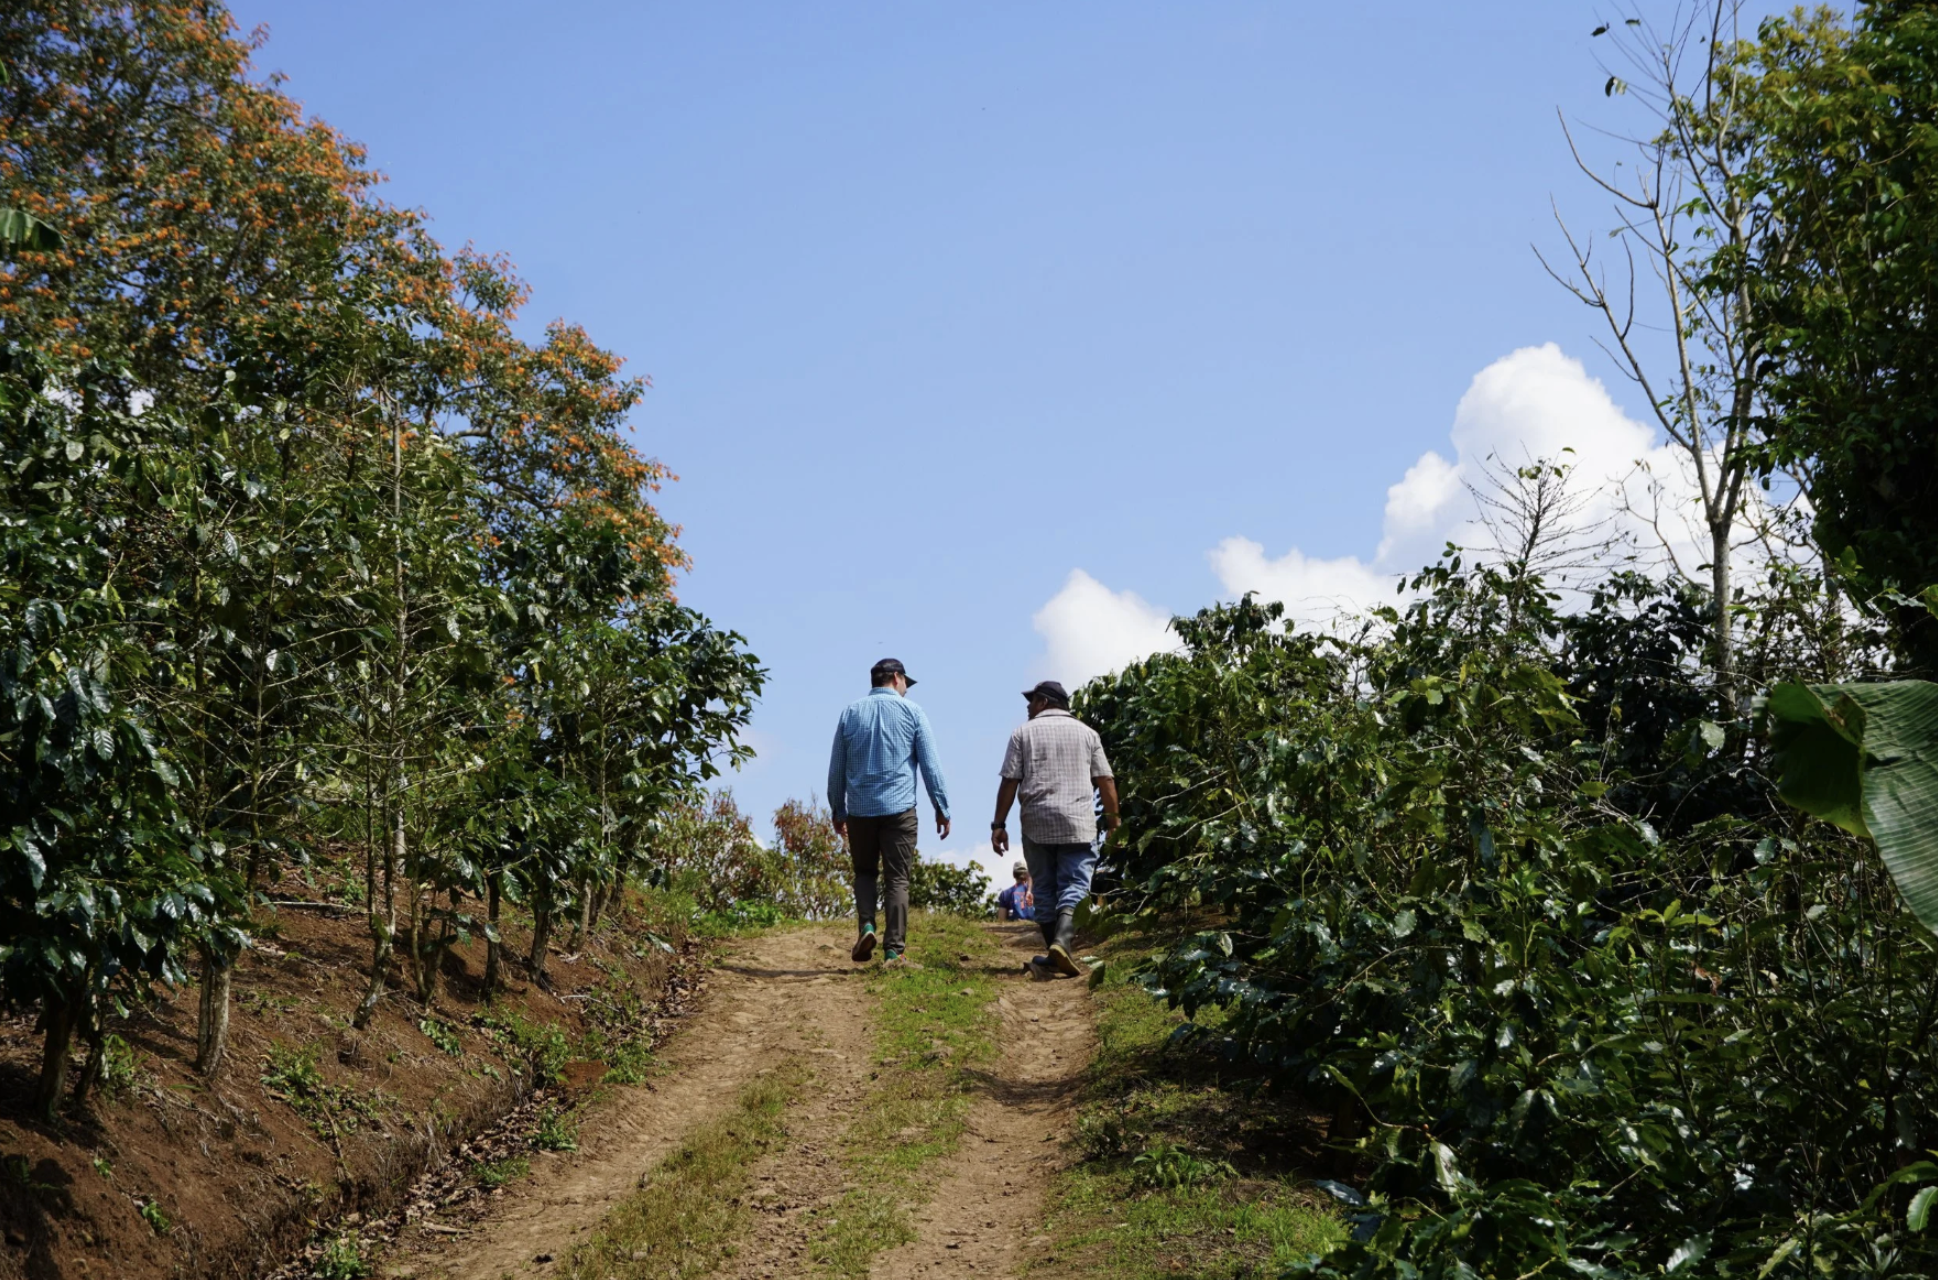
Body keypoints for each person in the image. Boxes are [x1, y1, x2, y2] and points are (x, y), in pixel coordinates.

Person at [990, 680, 1118, 977]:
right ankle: (1061, 944)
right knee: (1075, 886)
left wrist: (999, 824)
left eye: (1031, 701)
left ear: (1044, 702)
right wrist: (1114, 824)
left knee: (1045, 889)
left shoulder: (1022, 733)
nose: (1028, 707)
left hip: (1037, 823)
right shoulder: (1088, 734)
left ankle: (1055, 948)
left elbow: (1010, 781)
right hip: (1078, 824)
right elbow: (1106, 780)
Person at [828, 657, 951, 966]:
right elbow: (930, 766)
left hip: (860, 811)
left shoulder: (850, 713)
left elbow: (836, 769)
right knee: (897, 878)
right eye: (906, 681)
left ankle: (867, 926)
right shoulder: (913, 712)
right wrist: (941, 807)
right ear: (896, 677)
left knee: (865, 872)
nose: (907, 688)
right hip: (899, 810)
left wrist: (837, 809)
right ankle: (894, 951)